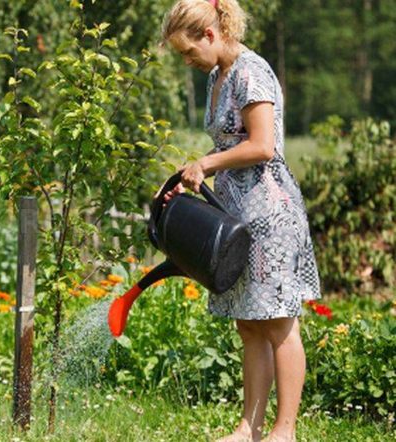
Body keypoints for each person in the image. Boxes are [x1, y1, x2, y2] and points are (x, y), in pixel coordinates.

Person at [158, 1, 322, 441]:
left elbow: (264, 145)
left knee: (278, 322)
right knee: (249, 323)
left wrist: (208, 163)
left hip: (268, 212)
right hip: (235, 212)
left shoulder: (251, 71)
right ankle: (248, 429)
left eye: (188, 51)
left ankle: (283, 431)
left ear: (210, 35)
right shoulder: (218, 77)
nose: (187, 61)